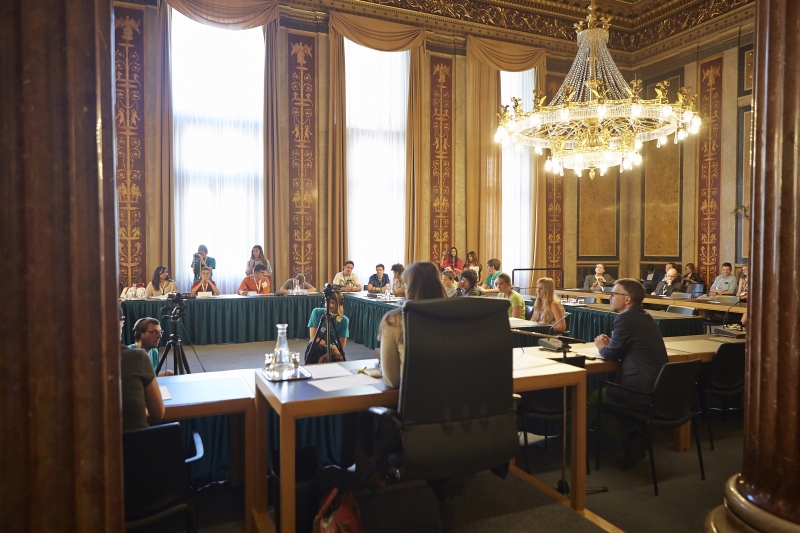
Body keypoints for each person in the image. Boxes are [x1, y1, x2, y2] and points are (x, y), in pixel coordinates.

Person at [592, 279, 668, 468]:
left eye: (614, 294)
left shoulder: (625, 318)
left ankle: (625, 443)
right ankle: (633, 433)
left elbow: (611, 355)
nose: (609, 297)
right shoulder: (645, 316)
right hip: (657, 387)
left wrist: (601, 346)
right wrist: (612, 345)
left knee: (593, 399)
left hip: (639, 389)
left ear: (627, 299)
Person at [380, 262, 446, 389]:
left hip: (417, 399)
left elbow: (392, 380)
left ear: (410, 288)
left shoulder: (395, 320)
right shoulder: (455, 315)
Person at [120, 308, 164, 432]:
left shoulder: (154, 352)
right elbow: (158, 413)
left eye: (160, 331)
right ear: (140, 334)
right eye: (154, 332)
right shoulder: (132, 356)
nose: (159, 336)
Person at [307, 291, 350, 362]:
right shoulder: (316, 312)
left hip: (333, 350)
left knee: (339, 358)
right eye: (327, 302)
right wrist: (331, 346)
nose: (329, 305)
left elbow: (341, 345)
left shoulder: (344, 320)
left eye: (332, 302)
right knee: (314, 347)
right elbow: (313, 337)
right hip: (317, 347)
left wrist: (323, 357)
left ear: (339, 304)